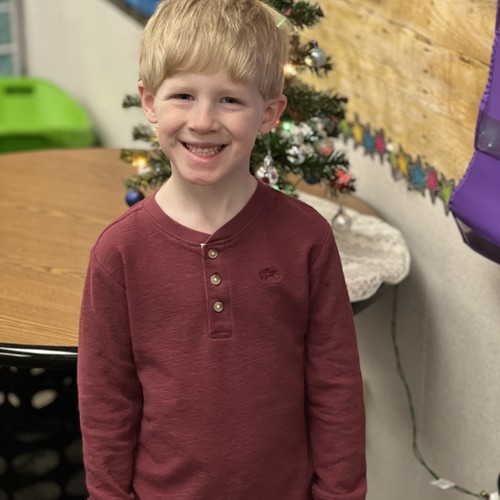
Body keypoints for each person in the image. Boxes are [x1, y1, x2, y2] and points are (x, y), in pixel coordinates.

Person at [77, 0, 366, 498]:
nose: (204, 121)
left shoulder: (308, 239)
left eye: (230, 100)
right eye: (183, 95)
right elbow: (106, 402)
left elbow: (335, 387)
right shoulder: (119, 253)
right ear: (150, 103)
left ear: (269, 114)